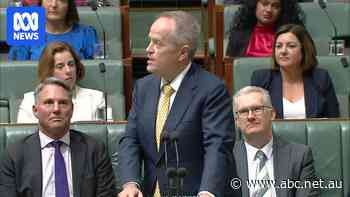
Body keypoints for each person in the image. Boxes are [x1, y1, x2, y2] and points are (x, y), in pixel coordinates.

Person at [117, 11, 239, 197]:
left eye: (157, 43)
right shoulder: (143, 87)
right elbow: (131, 140)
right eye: (150, 41)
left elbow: (217, 146)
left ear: (182, 53)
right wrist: (130, 184)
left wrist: (207, 191)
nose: (148, 49)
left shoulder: (211, 89)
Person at [0, 77, 116, 197]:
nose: (56, 109)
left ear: (71, 110)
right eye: (49, 102)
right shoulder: (14, 155)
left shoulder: (94, 150)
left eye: (63, 103)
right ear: (35, 110)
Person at [233, 86, 319, 197]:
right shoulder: (226, 158)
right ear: (237, 121)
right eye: (244, 111)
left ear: (272, 114)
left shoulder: (299, 156)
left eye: (257, 109)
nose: (250, 116)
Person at [251, 24, 339, 119]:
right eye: (278, 46)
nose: (283, 51)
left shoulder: (321, 78)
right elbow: (253, 119)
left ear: (304, 50)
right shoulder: (262, 79)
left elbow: (333, 120)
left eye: (291, 46)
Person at [17, 41, 105, 123]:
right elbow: (24, 137)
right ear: (49, 71)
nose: (68, 70)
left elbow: (104, 136)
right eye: (60, 66)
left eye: (71, 64)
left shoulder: (96, 99)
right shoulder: (29, 101)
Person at [9, 0, 97, 60]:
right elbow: (17, 72)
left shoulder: (87, 33)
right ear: (41, 3)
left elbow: (95, 70)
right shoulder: (25, 32)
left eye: (61, 0)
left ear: (69, 6)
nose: (54, 5)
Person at [226, 0, 305, 58]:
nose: (269, 10)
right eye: (264, 4)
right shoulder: (238, 36)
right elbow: (229, 68)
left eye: (275, 6)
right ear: (255, 4)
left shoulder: (293, 36)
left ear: (282, 10)